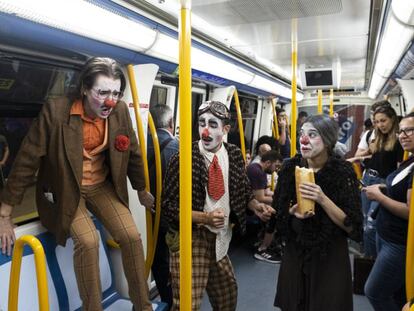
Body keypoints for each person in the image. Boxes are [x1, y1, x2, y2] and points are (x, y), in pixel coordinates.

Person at [0, 57, 153, 311]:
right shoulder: (56, 111)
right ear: (84, 88)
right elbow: (27, 159)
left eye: (116, 93)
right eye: (102, 92)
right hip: (64, 189)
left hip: (100, 185)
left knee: (132, 237)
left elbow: (133, 151)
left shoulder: (120, 112)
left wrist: (141, 189)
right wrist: (4, 213)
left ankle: (142, 306)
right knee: (88, 241)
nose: (110, 101)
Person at [162, 100, 274, 311]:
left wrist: (255, 205)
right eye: (202, 123)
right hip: (192, 237)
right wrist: (204, 217)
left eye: (213, 125)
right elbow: (168, 206)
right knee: (188, 304)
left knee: (227, 296)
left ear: (226, 129)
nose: (205, 130)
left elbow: (241, 188)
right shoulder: (183, 158)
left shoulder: (232, 154)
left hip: (221, 238)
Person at [272, 115, 363, 311]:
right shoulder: (289, 168)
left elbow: (354, 227)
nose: (303, 140)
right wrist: (291, 211)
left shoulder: (343, 172)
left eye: (312, 135)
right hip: (295, 254)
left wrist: (322, 199)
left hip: (329, 258)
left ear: (328, 140)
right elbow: (277, 214)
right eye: (301, 134)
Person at [363, 112, 414, 311]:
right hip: (386, 235)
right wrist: (383, 189)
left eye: (409, 130)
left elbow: (411, 212)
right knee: (398, 292)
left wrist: (380, 197)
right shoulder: (409, 160)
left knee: (374, 291)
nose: (403, 135)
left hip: (398, 242)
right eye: (401, 131)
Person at [357, 104, 403, 257]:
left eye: (383, 121)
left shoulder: (399, 141)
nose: (380, 125)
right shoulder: (377, 138)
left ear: (392, 119)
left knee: (372, 224)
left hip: (382, 183)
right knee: (364, 221)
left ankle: (373, 260)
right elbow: (371, 156)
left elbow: (398, 171)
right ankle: (368, 258)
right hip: (368, 178)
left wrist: (386, 187)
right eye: (376, 122)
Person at [147, 104, 179, 309]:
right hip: (169, 215)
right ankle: (173, 299)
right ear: (171, 123)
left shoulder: (141, 143)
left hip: (145, 212)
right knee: (172, 258)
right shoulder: (177, 147)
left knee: (156, 258)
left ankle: (165, 299)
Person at [247, 150, 283, 263]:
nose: (276, 169)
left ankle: (266, 240)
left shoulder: (256, 168)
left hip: (249, 201)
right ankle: (263, 249)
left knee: (277, 206)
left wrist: (280, 196)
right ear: (268, 163)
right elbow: (260, 198)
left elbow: (266, 192)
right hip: (247, 205)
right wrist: (279, 201)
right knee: (274, 213)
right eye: (276, 166)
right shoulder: (258, 172)